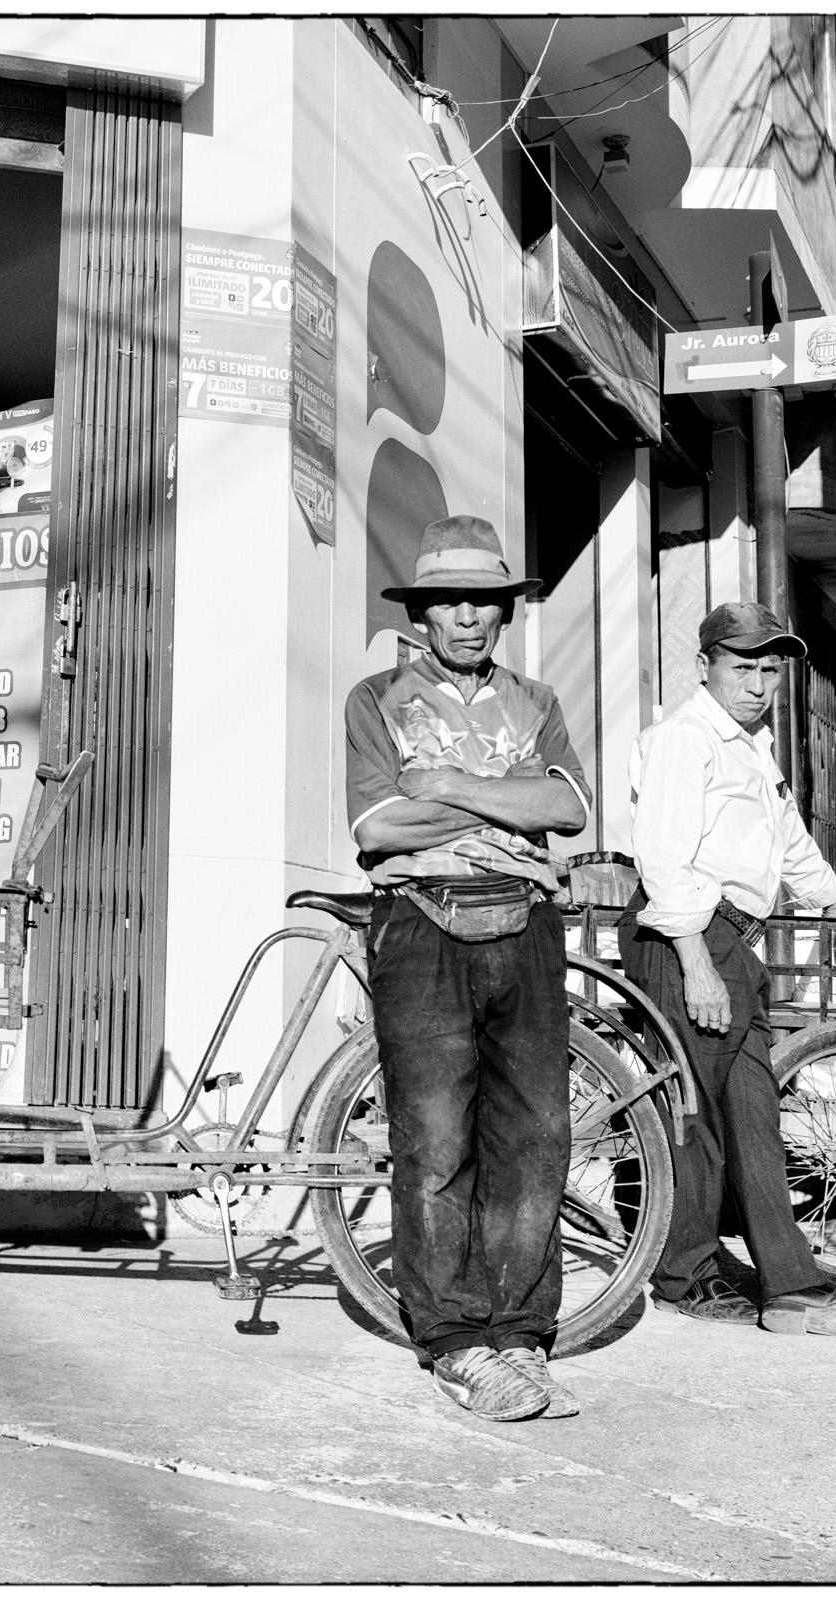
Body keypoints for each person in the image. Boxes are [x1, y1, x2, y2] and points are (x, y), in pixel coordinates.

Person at [344, 514, 592, 1422]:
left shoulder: (537, 699)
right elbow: (374, 829)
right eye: (448, 601)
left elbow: (567, 807)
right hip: (419, 922)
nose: (466, 617)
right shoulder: (374, 698)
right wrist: (509, 807)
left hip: (525, 922)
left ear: (504, 611)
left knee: (533, 1138)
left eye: (483, 601)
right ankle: (455, 1342)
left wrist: (445, 787)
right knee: (435, 1140)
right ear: (422, 612)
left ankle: (522, 1331)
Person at [620, 602, 836, 1337]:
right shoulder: (682, 741)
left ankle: (789, 1284)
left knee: (750, 1115)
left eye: (768, 670)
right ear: (704, 667)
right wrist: (694, 963)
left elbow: (787, 843)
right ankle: (684, 1276)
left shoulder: (750, 747)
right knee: (695, 1118)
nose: (757, 684)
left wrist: (835, 899)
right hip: (684, 937)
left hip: (733, 940)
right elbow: (662, 858)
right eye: (742, 667)